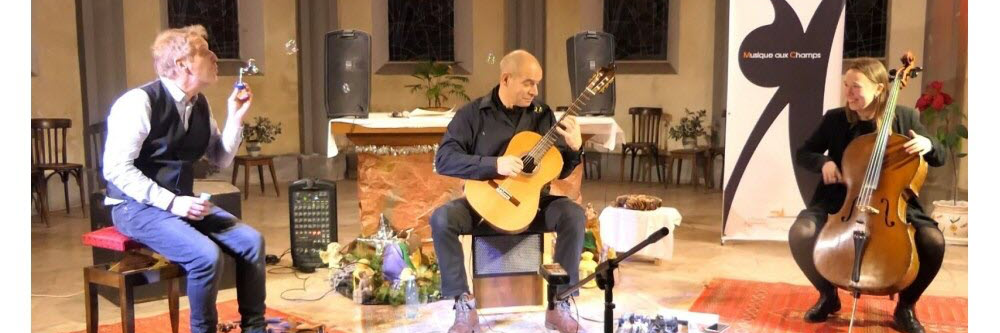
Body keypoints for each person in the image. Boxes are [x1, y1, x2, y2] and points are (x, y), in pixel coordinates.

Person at [102, 25, 266, 333]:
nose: (215, 56)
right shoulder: (138, 103)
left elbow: (220, 158)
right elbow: (115, 169)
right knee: (206, 256)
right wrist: (172, 202)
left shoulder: (199, 104)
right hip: (133, 206)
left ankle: (255, 328)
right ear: (182, 64)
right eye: (205, 51)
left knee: (252, 242)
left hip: (180, 201)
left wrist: (235, 118)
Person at [430, 50, 588, 333]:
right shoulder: (472, 115)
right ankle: (464, 304)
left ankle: (559, 302)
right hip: (485, 205)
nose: (535, 91)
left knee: (573, 215)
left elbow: (558, 168)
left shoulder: (543, 116)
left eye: (537, 83)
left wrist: (575, 148)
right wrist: (494, 164)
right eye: (528, 83)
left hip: (533, 205)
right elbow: (444, 159)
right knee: (442, 219)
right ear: (506, 79)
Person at [789, 58, 947, 333]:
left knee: (933, 241)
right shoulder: (835, 119)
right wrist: (824, 163)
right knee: (801, 233)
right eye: (846, 85)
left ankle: (906, 306)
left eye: (855, 87)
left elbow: (940, 157)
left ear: (878, 88)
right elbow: (804, 153)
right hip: (842, 200)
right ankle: (828, 296)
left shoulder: (905, 117)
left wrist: (928, 144)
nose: (848, 92)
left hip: (893, 203)